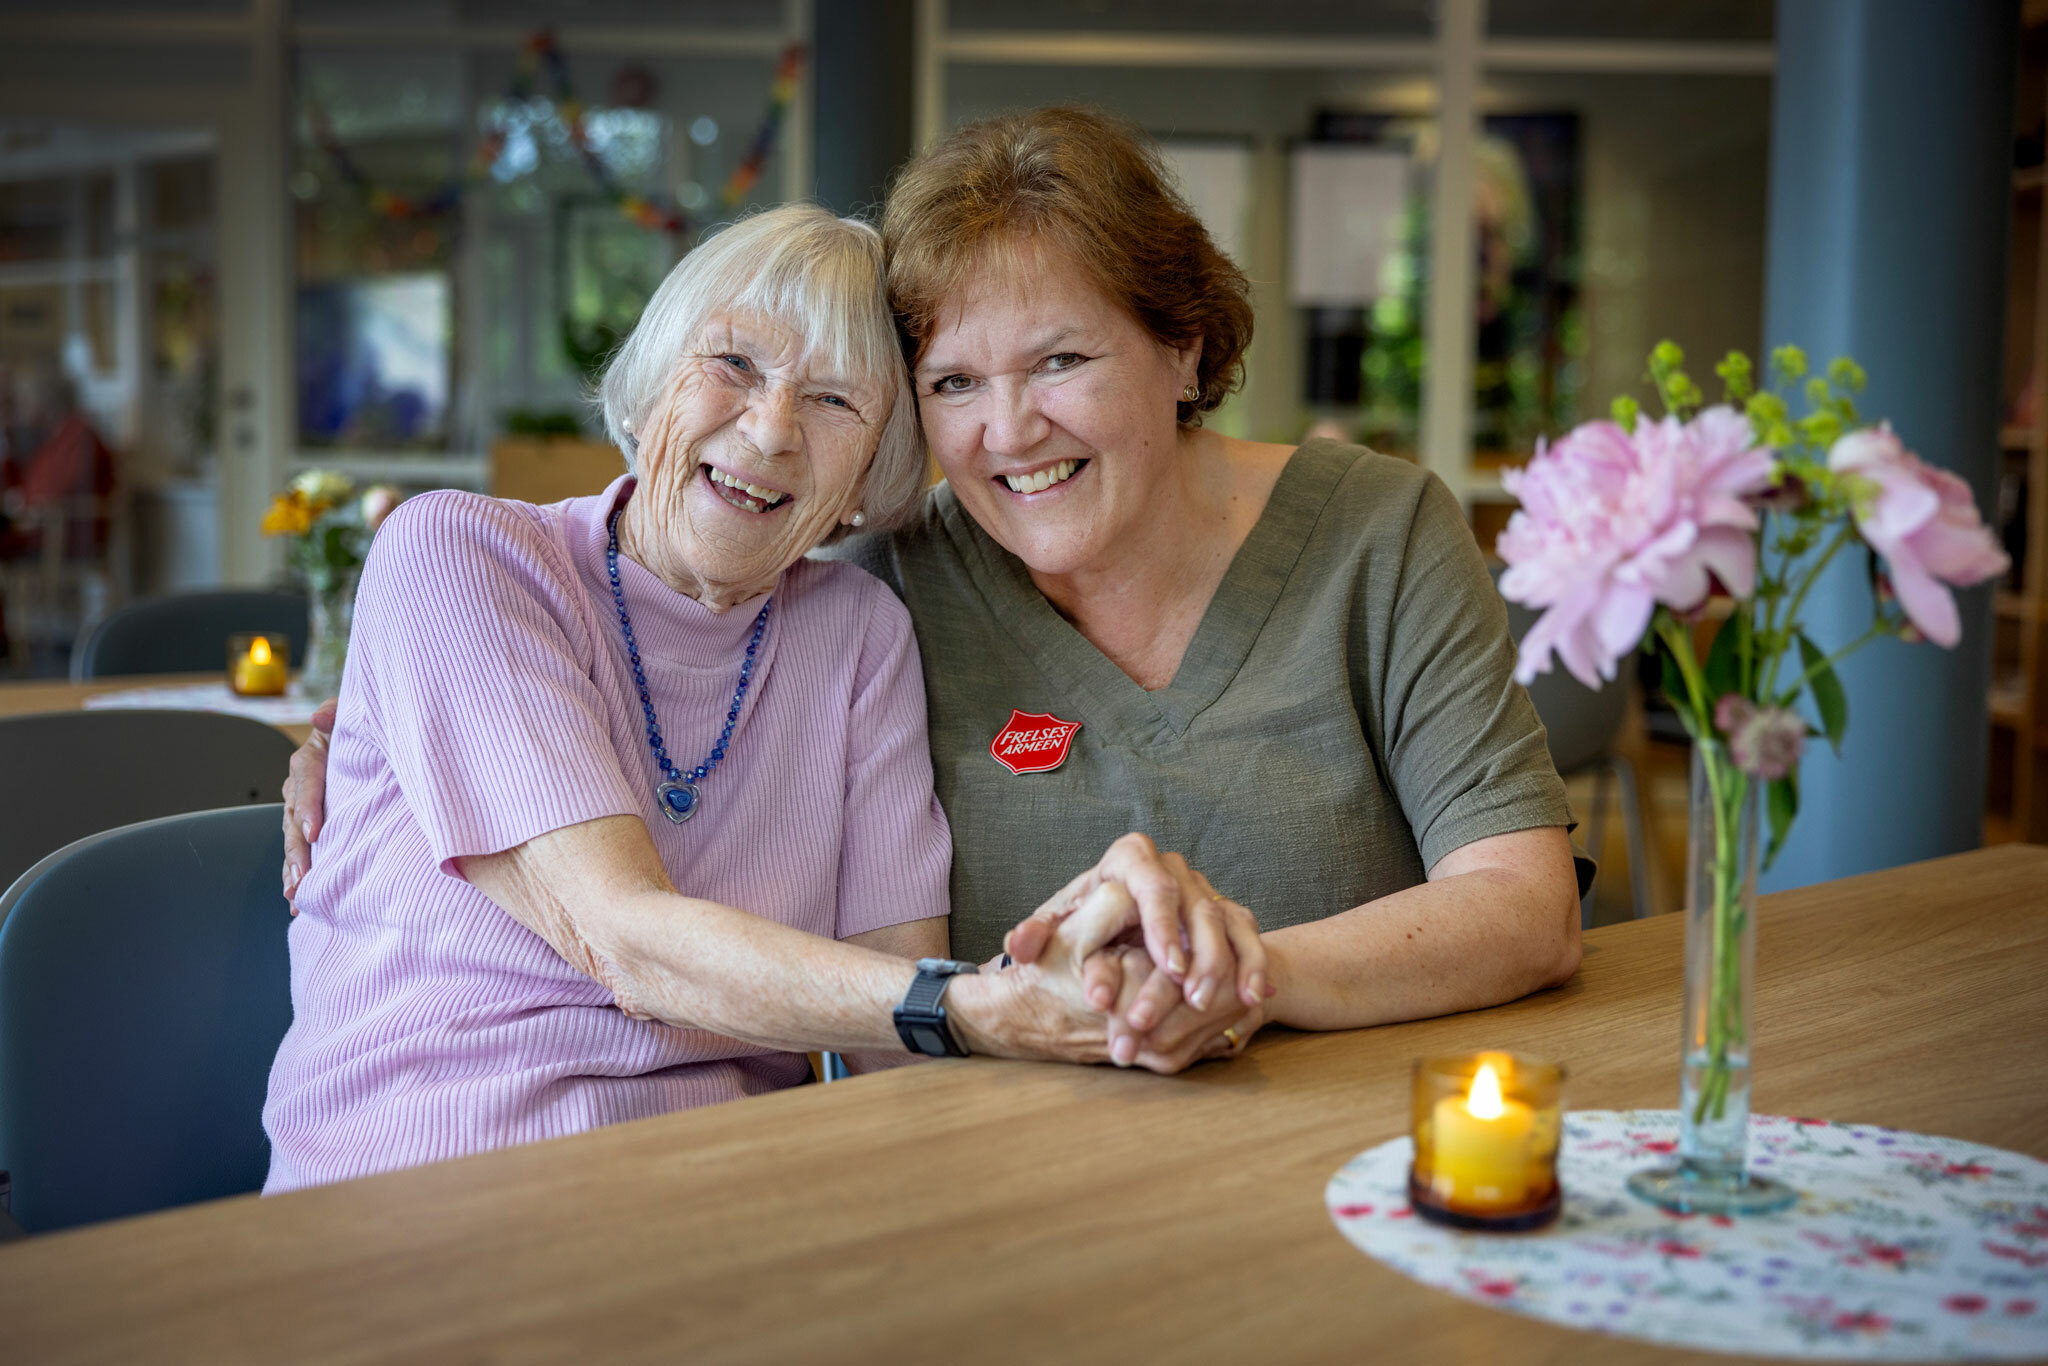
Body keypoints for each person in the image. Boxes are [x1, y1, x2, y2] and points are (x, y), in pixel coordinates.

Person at [284, 106, 1584, 1085]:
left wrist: (1246, 974)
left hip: (1352, 1126)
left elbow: (1529, 903)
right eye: (954, 382)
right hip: (1009, 1158)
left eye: (1062, 359)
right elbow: (630, 644)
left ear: (1184, 349)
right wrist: (352, 744)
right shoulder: (897, 579)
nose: (1010, 431)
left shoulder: (1377, 532)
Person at [262, 205, 1211, 1194]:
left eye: (834, 400)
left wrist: (1093, 994)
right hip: (420, 1187)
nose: (769, 430)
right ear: (645, 391)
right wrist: (978, 1005)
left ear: (870, 479)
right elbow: (619, 935)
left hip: (734, 1194)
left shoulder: (857, 633)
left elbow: (890, 1035)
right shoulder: (461, 555)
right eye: (732, 364)